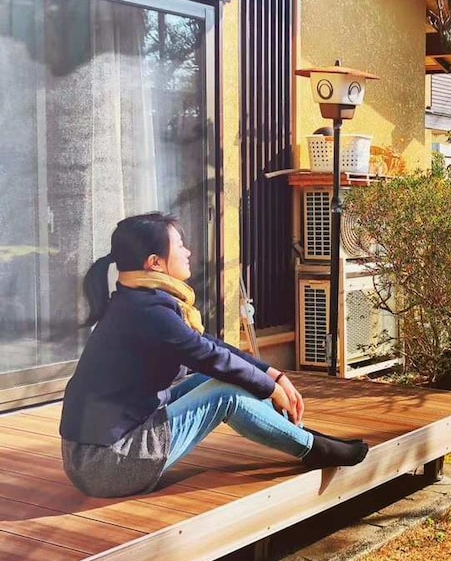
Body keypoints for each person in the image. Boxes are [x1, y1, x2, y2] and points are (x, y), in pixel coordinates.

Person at [59, 212, 367, 498]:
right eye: (179, 245)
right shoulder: (147, 312)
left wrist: (273, 374)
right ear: (155, 262)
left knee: (216, 377)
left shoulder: (136, 301)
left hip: (94, 455)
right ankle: (313, 449)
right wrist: (271, 389)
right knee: (225, 393)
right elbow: (211, 356)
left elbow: (208, 347)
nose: (188, 252)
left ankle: (305, 438)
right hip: (108, 464)